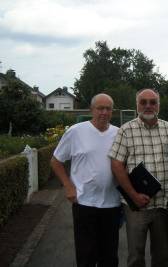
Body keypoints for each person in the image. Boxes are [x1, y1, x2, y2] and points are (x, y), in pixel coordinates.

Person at [109, 88, 168, 267]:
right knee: (135, 256)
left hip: (164, 204)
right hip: (136, 207)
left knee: (163, 255)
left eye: (152, 102)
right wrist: (133, 195)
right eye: (143, 102)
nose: (148, 106)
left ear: (158, 105)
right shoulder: (126, 130)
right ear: (137, 105)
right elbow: (116, 165)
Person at [51, 93, 121, 267]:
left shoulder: (119, 134)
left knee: (110, 257)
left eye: (108, 109)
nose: (104, 112)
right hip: (84, 204)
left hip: (112, 205)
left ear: (112, 111)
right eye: (100, 108)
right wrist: (68, 186)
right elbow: (56, 161)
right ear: (92, 110)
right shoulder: (76, 131)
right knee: (86, 256)